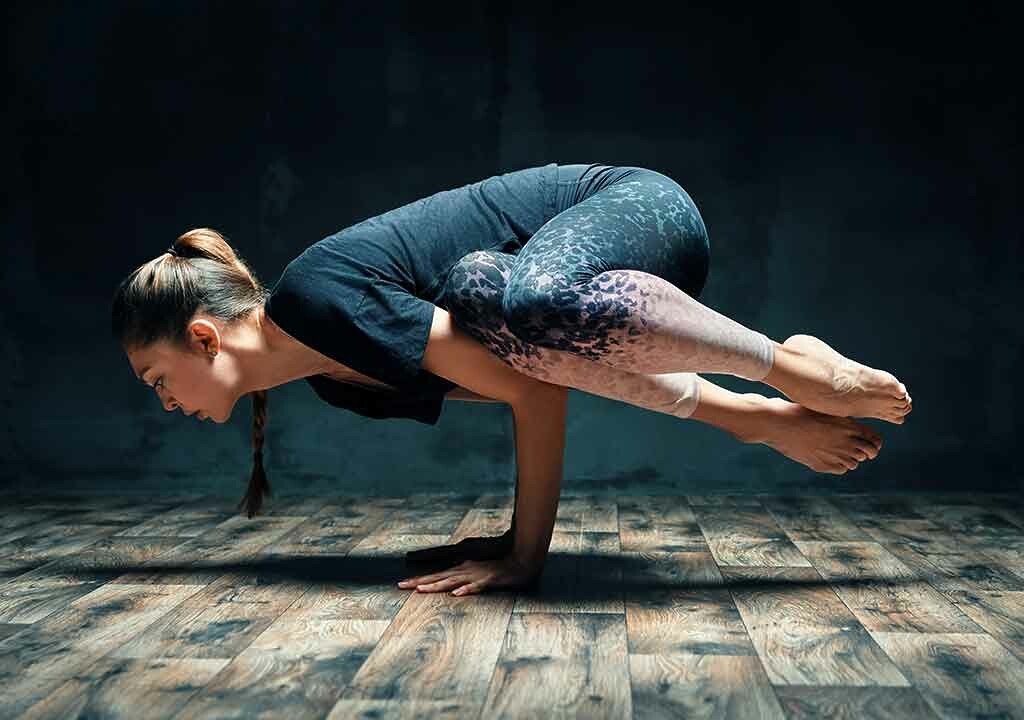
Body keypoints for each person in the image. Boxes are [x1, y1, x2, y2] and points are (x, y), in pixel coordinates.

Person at [111, 163, 912, 596]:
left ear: (204, 337)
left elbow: (532, 381)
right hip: (615, 306)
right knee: (504, 310)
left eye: (157, 378)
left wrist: (526, 558)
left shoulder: (313, 298)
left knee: (494, 287)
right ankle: (762, 413)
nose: (166, 401)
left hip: (638, 209)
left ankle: (793, 365)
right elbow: (541, 379)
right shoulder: (338, 378)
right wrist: (752, 419)